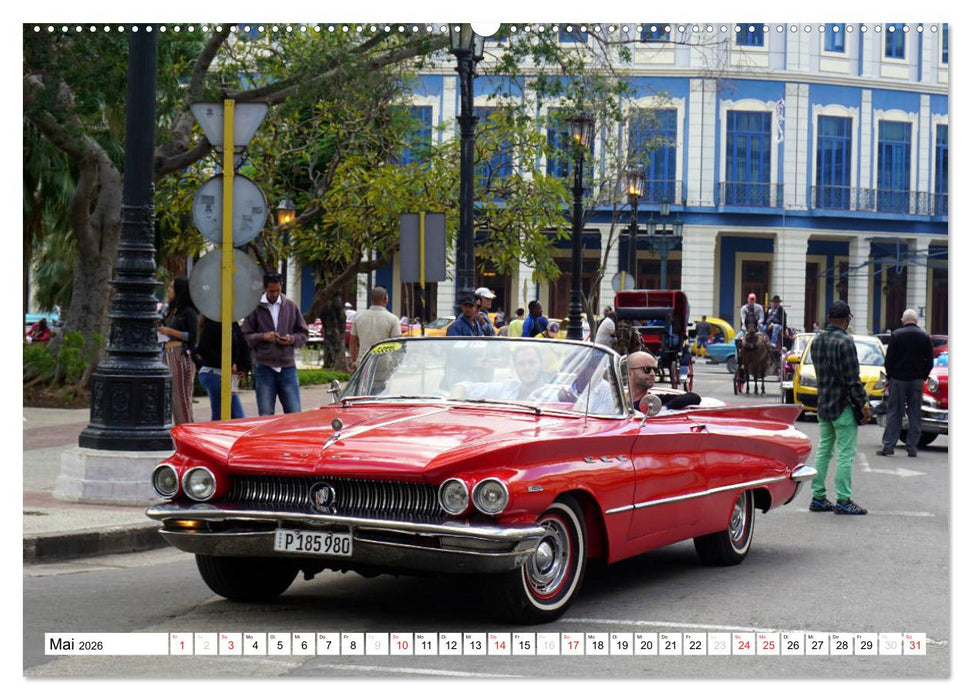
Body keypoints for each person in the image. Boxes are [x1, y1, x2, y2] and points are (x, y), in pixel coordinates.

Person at [809, 300, 871, 515]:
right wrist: (863, 404)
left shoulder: (816, 341)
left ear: (829, 318)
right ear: (846, 320)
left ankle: (818, 496)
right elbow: (853, 379)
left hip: (824, 403)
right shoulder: (845, 342)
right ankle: (843, 499)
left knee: (824, 450)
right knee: (846, 453)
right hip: (843, 406)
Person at [241, 273, 309, 416]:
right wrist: (263, 336)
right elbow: (245, 336)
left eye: (278, 290)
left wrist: (291, 339)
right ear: (265, 289)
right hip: (264, 366)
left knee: (295, 413)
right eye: (271, 291)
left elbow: (303, 334)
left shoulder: (290, 306)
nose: (275, 294)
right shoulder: (255, 307)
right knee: (265, 414)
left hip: (287, 366)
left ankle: (292, 438)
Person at [877, 309, 934, 458]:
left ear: (903, 320)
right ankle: (912, 447)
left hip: (898, 380)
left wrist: (891, 376)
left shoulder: (896, 335)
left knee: (895, 412)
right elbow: (930, 360)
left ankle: (889, 446)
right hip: (916, 381)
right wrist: (923, 376)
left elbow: (888, 360)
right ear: (916, 321)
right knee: (915, 413)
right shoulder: (924, 336)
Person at [158, 276, 199, 425]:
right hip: (168, 353)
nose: (169, 290)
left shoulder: (189, 312)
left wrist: (170, 331)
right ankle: (181, 430)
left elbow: (192, 336)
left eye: (171, 288)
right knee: (174, 398)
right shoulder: (172, 311)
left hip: (180, 354)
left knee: (181, 397)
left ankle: (187, 431)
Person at [195, 316, 250, 421]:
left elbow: (242, 345)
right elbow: (204, 349)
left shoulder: (231, 323)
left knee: (230, 414)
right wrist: (227, 364)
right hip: (214, 372)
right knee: (232, 415)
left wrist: (242, 367)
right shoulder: (213, 323)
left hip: (221, 373)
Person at [626, 350, 701, 412]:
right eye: (647, 369)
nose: (652, 374)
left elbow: (694, 397)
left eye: (655, 370)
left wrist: (665, 408)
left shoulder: (656, 401)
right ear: (629, 372)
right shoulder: (616, 400)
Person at [349, 286, 402, 368]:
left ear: (371, 300)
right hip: (384, 365)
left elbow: (352, 342)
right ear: (385, 299)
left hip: (363, 363)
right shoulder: (393, 319)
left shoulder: (359, 318)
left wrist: (353, 361)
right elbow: (398, 343)